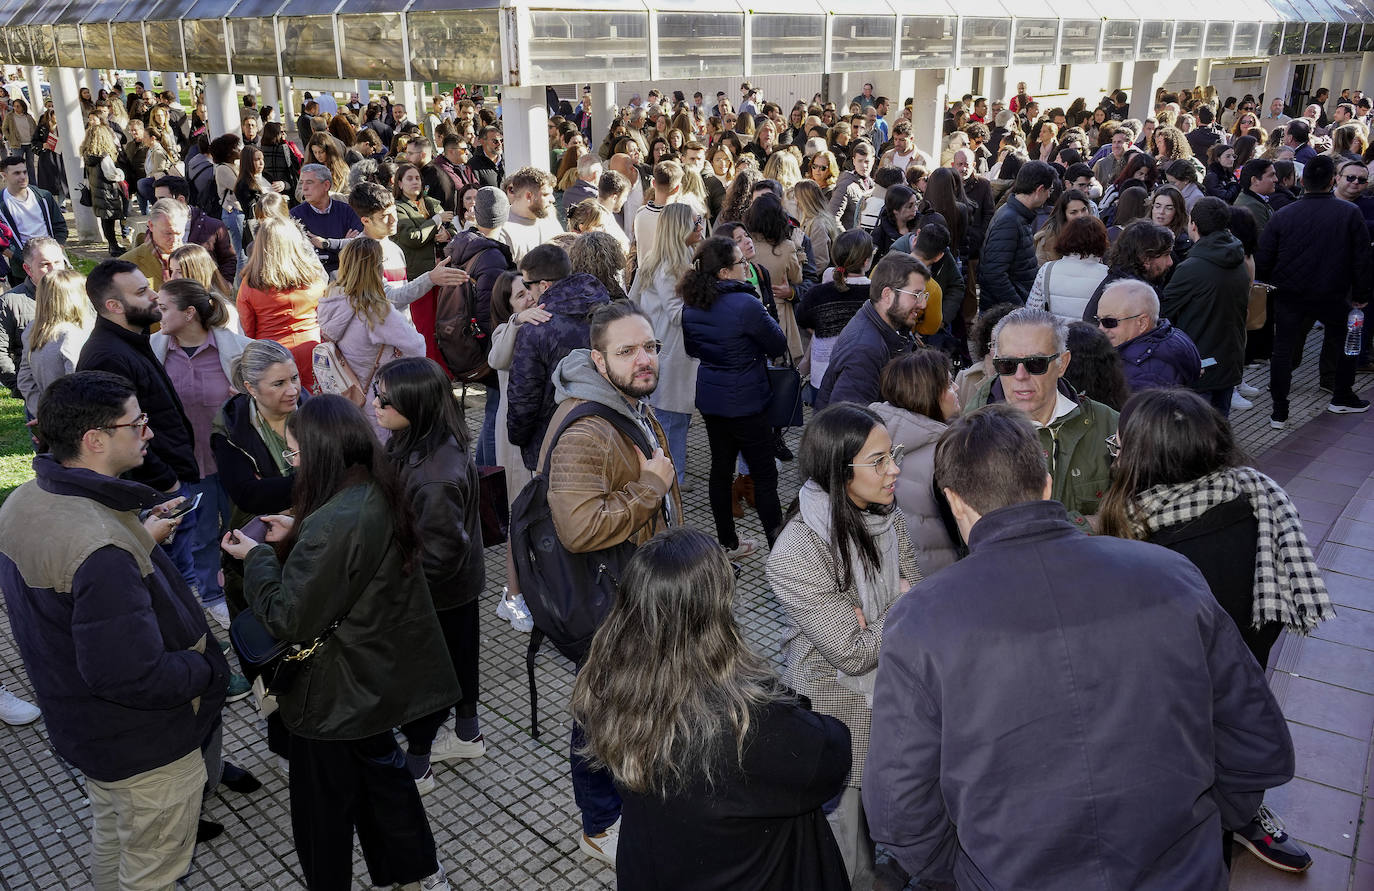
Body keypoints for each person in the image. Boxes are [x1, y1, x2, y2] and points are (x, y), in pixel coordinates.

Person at [864, 403, 1295, 889]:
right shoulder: (1171, 576)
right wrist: (1211, 821)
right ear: (1045, 482)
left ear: (954, 501)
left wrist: (961, 873)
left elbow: (898, 808)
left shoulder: (923, 618)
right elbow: (1257, 741)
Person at [220, 395, 459, 891]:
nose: (291, 462)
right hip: (372, 674)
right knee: (384, 778)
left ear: (324, 453)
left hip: (331, 693)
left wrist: (260, 557)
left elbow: (289, 615)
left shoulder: (336, 519)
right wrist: (300, 533)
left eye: (295, 453)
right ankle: (416, 871)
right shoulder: (371, 487)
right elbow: (350, 564)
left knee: (321, 811)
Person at [1099, 388, 1334, 875]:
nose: (1113, 452)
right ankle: (1243, 815)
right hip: (1244, 679)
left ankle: (1226, 824)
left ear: (1146, 460)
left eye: (1118, 446)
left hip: (1173, 705)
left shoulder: (1144, 545)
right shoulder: (1259, 498)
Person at [2, 370, 227, 878]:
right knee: (151, 871)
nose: (147, 432)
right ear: (96, 440)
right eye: (137, 423)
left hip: (86, 729)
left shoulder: (26, 501)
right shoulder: (99, 548)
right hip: (144, 746)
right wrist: (206, 669)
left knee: (114, 837)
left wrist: (138, 541)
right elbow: (130, 674)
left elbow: (71, 599)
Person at [572, 526, 852, 890]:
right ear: (710, 611)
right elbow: (832, 755)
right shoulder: (745, 719)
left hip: (653, 868)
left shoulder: (605, 682)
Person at [540, 300, 682, 868]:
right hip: (610, 603)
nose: (644, 360)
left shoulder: (627, 402)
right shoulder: (587, 428)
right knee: (600, 713)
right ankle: (600, 824)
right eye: (627, 352)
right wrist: (649, 489)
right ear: (599, 360)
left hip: (640, 591)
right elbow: (577, 529)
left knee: (623, 707)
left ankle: (638, 799)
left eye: (649, 347)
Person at [766, 402, 920, 891]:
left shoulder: (883, 512)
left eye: (890, 454)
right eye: (878, 461)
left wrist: (877, 615)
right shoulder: (799, 551)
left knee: (895, 827)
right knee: (851, 849)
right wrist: (897, 607)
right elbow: (850, 653)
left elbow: (915, 583)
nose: (894, 468)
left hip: (896, 693)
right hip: (840, 707)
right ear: (839, 471)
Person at [373, 357, 487, 791]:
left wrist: (400, 591)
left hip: (435, 591)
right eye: (377, 394)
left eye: (385, 397)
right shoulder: (417, 440)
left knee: (426, 677)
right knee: (461, 657)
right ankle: (468, 732)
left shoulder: (434, 474)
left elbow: (440, 553)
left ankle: (418, 764)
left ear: (416, 405)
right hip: (457, 586)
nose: (376, 402)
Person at [78, 259, 205, 583]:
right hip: (158, 495)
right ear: (113, 305)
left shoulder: (132, 339)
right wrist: (167, 483)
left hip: (167, 484)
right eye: (141, 291)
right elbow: (118, 435)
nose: (153, 295)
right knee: (169, 584)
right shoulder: (109, 356)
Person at [149, 279, 251, 628]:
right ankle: (211, 595)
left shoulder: (236, 350)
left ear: (189, 313)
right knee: (202, 534)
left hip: (235, 461)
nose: (156, 312)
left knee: (246, 527)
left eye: (163, 307)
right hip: (189, 465)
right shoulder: (154, 351)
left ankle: (249, 589)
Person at [681, 235, 787, 557]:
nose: (746, 266)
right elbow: (778, 344)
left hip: (712, 400)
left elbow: (692, 349)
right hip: (747, 402)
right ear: (725, 272)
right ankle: (781, 553)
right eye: (741, 262)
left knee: (720, 468)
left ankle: (728, 543)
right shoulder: (746, 304)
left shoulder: (692, 304)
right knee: (765, 475)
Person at [964, 307, 1117, 527]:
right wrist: (1088, 525)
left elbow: (1132, 515)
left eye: (1035, 364)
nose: (1020, 376)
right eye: (1007, 365)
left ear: (1062, 364)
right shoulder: (968, 437)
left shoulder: (1110, 426)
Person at [1259, 156, 1372, 426]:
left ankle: (1279, 410)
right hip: (1332, 291)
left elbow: (1264, 259)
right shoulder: (1349, 213)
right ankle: (1341, 395)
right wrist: (1361, 294)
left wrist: (1268, 287)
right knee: (1343, 342)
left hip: (1290, 293)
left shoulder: (1284, 214)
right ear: (1332, 180)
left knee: (1283, 350)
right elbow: (1361, 258)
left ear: (1302, 181)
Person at [506, 243, 612, 470]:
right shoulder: (609, 310)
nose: (529, 294)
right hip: (608, 434)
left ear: (543, 285)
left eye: (527, 285)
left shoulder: (536, 328)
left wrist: (519, 438)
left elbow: (523, 398)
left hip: (554, 443)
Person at [317, 238, 426, 437]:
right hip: (378, 401)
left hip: (346, 396)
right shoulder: (375, 310)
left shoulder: (329, 300)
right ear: (376, 267)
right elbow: (418, 347)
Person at [629, 203, 700, 489]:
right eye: (696, 222)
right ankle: (673, 481)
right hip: (671, 353)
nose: (700, 226)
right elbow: (676, 312)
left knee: (667, 419)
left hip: (658, 350)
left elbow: (632, 301)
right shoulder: (672, 266)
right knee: (672, 421)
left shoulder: (655, 259)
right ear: (680, 227)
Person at [1159, 196, 1251, 417]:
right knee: (1220, 427)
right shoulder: (1238, 259)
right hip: (1230, 360)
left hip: (1200, 365)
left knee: (1197, 433)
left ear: (1194, 225)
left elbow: (1163, 311)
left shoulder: (1192, 267)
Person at [869, 350, 960, 573]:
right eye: (948, 384)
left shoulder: (869, 435)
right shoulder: (946, 453)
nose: (956, 388)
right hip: (938, 574)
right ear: (927, 394)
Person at [487, 271, 542, 633]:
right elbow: (496, 359)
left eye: (530, 291)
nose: (528, 299)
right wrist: (517, 320)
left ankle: (533, 590)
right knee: (518, 516)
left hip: (539, 434)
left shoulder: (543, 325)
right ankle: (511, 596)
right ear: (506, 305)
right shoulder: (506, 331)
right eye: (519, 296)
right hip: (514, 438)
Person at [815, 252, 928, 410]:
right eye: (916, 294)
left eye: (924, 295)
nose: (923, 304)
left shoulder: (878, 327)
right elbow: (849, 425)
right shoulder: (864, 351)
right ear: (887, 295)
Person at [236, 217, 328, 393]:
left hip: (272, 354)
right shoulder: (314, 275)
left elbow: (247, 329)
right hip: (313, 347)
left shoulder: (251, 283)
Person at [1096, 278, 1201, 393]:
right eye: (1098, 320)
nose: (1101, 328)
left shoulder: (1142, 375)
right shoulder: (1171, 336)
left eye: (1109, 322)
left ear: (1142, 323)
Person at [978, 160, 1055, 308]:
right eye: (1049, 190)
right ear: (1039, 190)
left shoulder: (1015, 214)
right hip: (1005, 313)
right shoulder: (1010, 220)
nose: (1049, 196)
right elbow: (994, 273)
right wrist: (1019, 307)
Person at [16, 266, 91, 417]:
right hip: (72, 418)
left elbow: (24, 378)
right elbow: (79, 384)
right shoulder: (73, 334)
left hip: (45, 413)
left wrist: (41, 411)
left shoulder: (34, 328)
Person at [0, 236, 68, 397]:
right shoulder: (10, 303)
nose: (54, 269)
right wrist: (24, 389)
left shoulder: (81, 294)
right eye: (45, 264)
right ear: (28, 269)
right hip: (40, 396)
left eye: (58, 262)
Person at [151, 176, 238, 283]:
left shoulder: (213, 226)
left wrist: (225, 284)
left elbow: (228, 259)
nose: (156, 204)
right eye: (156, 199)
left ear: (180, 200)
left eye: (162, 199)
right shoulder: (155, 226)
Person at [1026, 215, 1110, 323]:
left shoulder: (1047, 269)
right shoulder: (1106, 274)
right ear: (1101, 240)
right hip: (1091, 337)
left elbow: (1032, 311)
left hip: (1054, 336)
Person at [0, 154, 68, 286]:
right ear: (4, 175)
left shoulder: (44, 197)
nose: (23, 176)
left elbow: (60, 227)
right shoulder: (2, 204)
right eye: (16, 173)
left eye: (24, 172)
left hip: (52, 262)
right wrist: (19, 258)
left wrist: (56, 250)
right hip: (21, 268)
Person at [289, 162, 363, 276]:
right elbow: (301, 254)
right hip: (312, 277)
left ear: (326, 185)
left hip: (348, 274)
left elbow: (358, 245)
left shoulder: (347, 211)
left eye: (310, 182)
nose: (304, 188)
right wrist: (343, 246)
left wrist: (326, 244)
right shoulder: (295, 216)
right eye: (302, 183)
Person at [81, 122, 128, 257]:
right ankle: (113, 246)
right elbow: (111, 174)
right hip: (107, 192)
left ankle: (112, 244)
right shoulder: (104, 157)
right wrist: (120, 173)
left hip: (97, 193)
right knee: (110, 221)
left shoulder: (88, 155)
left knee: (105, 221)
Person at [502, 166, 563, 261]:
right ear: (529, 196)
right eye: (545, 194)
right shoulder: (503, 231)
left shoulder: (549, 216)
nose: (553, 200)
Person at [828, 139, 875, 230]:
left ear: (873, 161)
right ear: (854, 161)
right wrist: (847, 238)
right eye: (860, 161)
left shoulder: (872, 184)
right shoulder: (845, 185)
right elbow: (832, 218)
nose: (864, 166)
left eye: (867, 161)